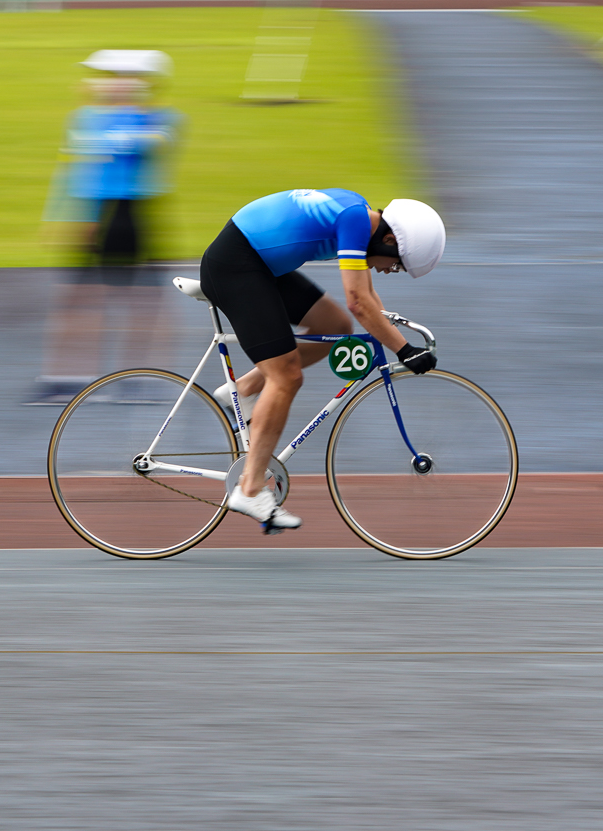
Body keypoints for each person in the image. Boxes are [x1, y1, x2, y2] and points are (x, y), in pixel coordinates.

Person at [198, 189, 445, 532]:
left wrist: (394, 326)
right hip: (236, 265)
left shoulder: (360, 216)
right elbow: (358, 300)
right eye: (398, 263)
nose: (393, 270)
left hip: (257, 263)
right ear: (388, 240)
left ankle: (244, 389)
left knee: (335, 327)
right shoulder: (356, 220)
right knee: (286, 377)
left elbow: (367, 295)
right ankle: (250, 489)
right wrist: (404, 350)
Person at [29, 50, 183, 405]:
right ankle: (65, 377)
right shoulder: (86, 118)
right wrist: (59, 214)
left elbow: (153, 143)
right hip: (95, 216)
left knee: (144, 300)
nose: (108, 84)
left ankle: (138, 378)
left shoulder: (158, 120)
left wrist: (123, 120)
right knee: (79, 298)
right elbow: (75, 168)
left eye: (118, 77)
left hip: (133, 215)